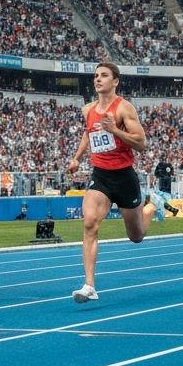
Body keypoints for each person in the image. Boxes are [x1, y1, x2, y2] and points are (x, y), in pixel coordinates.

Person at [67, 62, 159, 303]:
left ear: (115, 81)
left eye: (104, 75)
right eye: (96, 76)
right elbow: (89, 133)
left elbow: (141, 143)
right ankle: (89, 285)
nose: (98, 79)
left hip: (124, 176)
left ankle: (151, 207)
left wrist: (115, 131)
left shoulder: (124, 108)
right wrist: (77, 158)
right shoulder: (88, 109)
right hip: (101, 176)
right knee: (89, 224)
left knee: (136, 236)